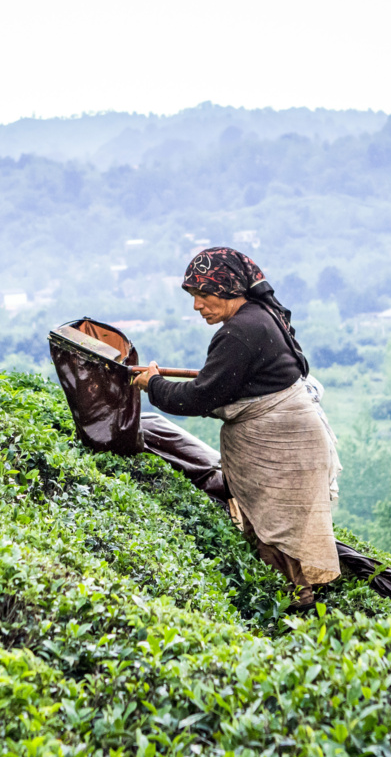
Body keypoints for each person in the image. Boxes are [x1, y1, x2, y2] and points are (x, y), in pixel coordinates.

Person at [131, 247, 340, 608]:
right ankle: (298, 611)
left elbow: (199, 398)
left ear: (228, 289)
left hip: (284, 452)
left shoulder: (241, 332)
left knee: (279, 538)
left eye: (203, 295)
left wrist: (153, 384)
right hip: (293, 444)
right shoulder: (258, 317)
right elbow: (231, 385)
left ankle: (296, 619)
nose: (197, 306)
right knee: (278, 537)